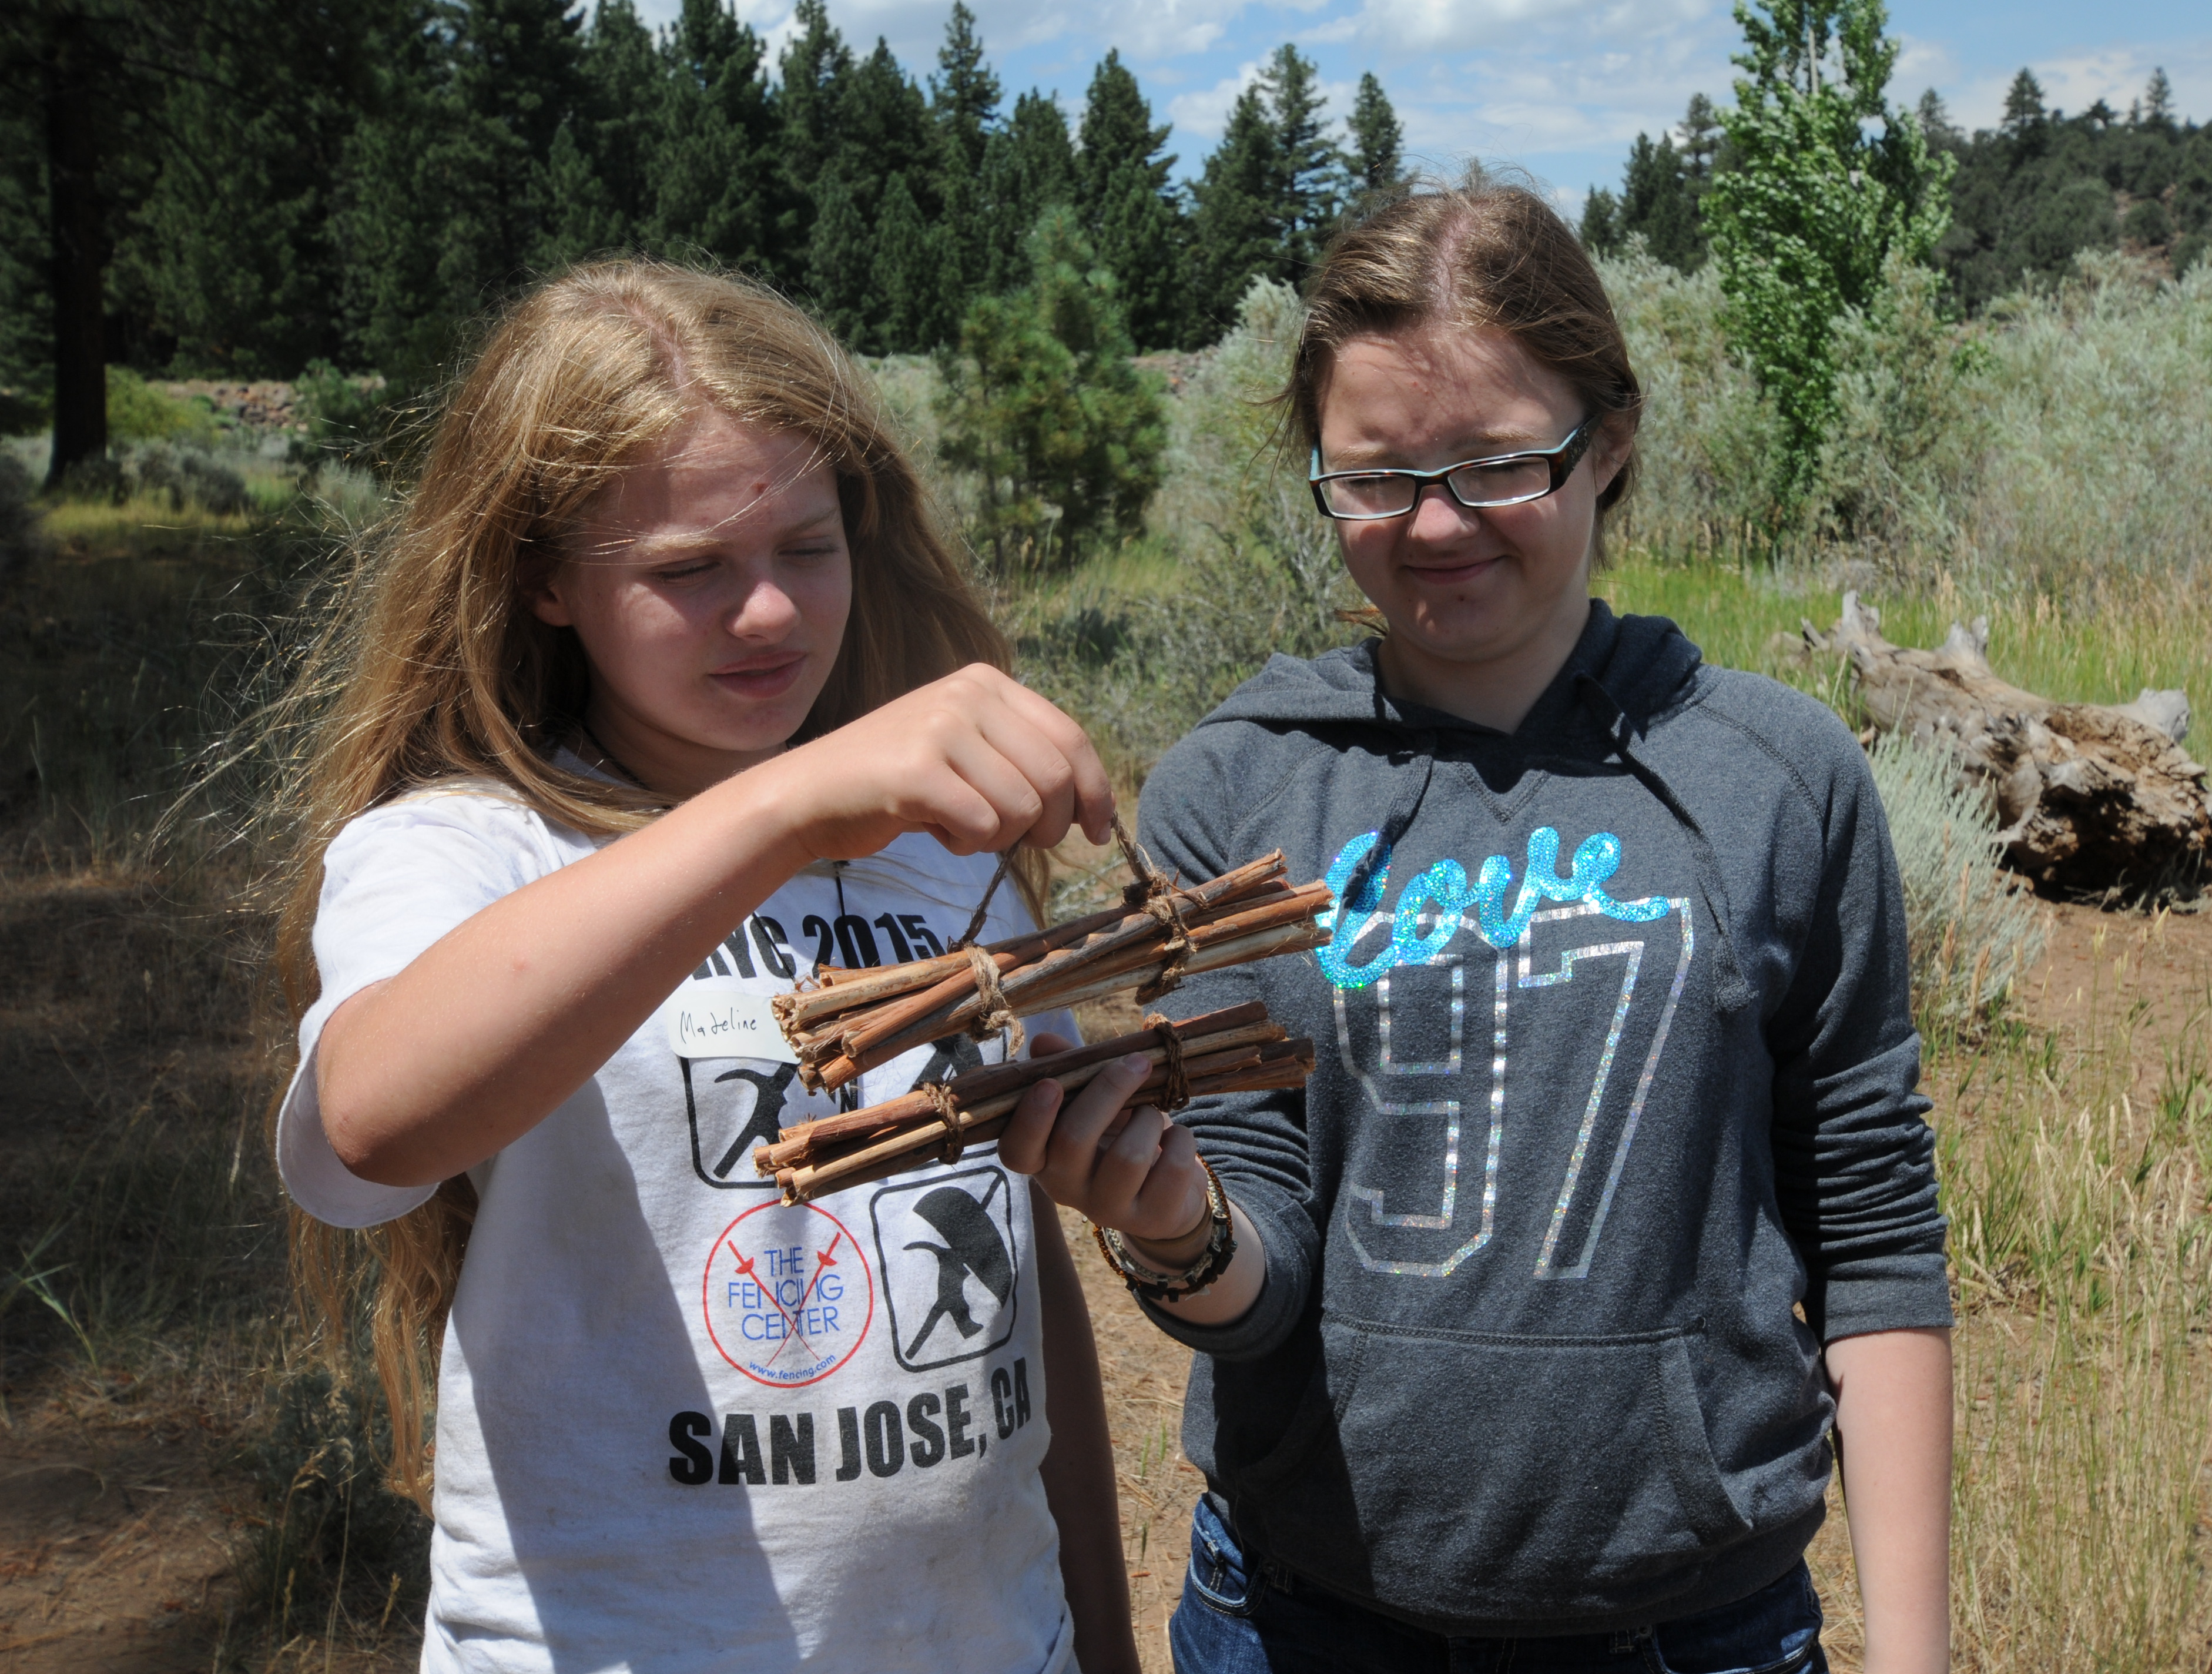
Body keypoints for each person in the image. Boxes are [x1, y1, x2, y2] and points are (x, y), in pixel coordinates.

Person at [999, 185, 1954, 1672]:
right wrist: (1172, 1228)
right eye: (1372, 478)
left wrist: (1914, 1655)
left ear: (1611, 439)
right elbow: (1256, 1291)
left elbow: (1872, 1219)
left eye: (1495, 461)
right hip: (1301, 1618)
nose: (1431, 526)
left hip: (1688, 1627)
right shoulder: (1236, 787)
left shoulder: (1774, 776)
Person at [272, 261, 1138, 1673]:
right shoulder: (468, 846)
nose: (771, 615)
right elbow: (367, 1130)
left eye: (809, 545)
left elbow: (1020, 1285)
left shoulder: (939, 849)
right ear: (544, 577)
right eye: (688, 570)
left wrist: (1099, 1639)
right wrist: (783, 805)